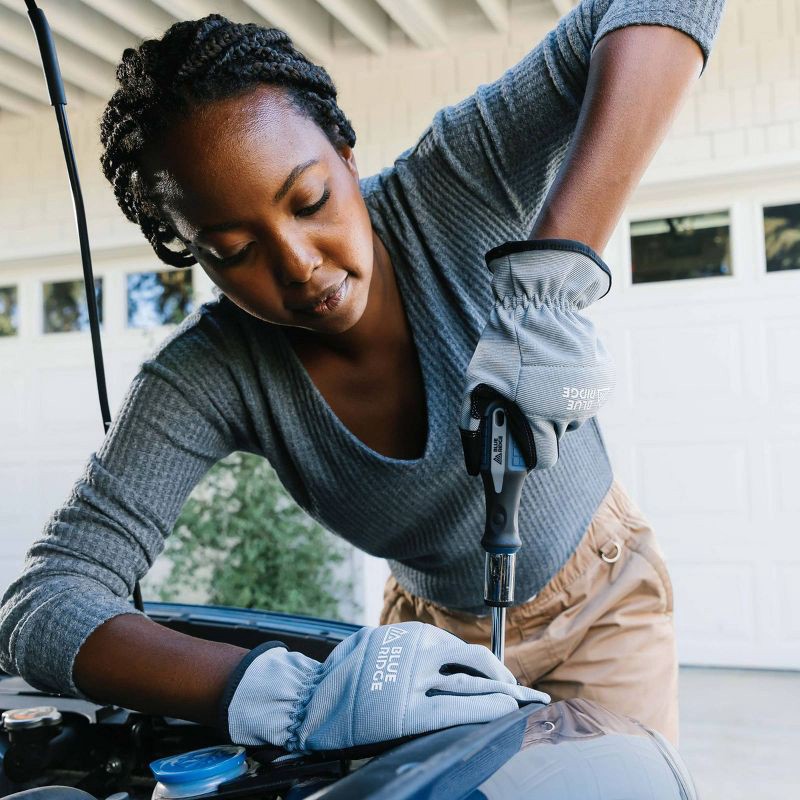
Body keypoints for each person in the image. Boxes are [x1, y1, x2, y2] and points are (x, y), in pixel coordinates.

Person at [0, 0, 725, 751]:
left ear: (346, 154)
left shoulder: (453, 185)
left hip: (601, 607)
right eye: (234, 250)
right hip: (422, 640)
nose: (298, 263)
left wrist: (555, 275)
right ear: (194, 256)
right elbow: (42, 602)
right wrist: (284, 697)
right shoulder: (208, 375)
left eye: (309, 200)